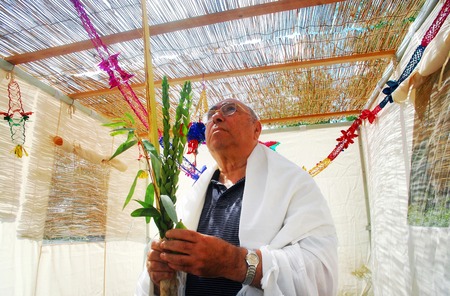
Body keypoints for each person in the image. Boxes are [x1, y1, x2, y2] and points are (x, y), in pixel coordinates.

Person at [135, 99, 338, 295]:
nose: (216, 117)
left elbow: (318, 267)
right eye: (211, 114)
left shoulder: (293, 183)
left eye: (230, 109)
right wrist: (158, 270)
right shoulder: (195, 194)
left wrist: (233, 262)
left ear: (256, 129)